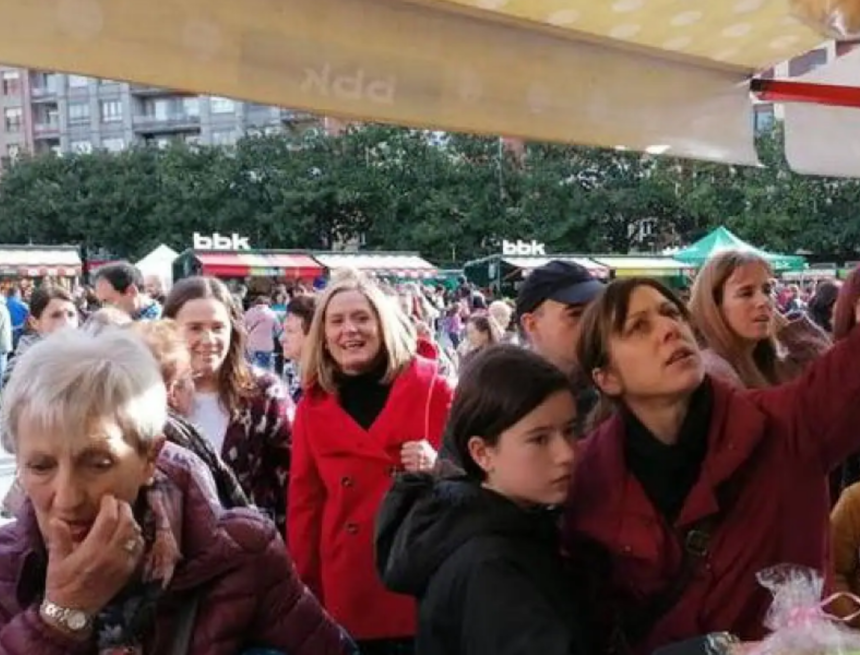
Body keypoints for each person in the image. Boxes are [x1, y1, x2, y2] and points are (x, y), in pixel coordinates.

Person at [0, 327, 355, 654]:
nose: (67, 499)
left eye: (98, 463)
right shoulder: (6, 568)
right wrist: (62, 614)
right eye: (41, 466)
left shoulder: (241, 555)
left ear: (149, 458)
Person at [563, 277, 860, 655]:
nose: (669, 329)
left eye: (672, 313)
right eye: (639, 327)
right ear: (606, 378)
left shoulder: (786, 427)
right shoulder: (585, 479)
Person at [376, 345, 589, 655]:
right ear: (482, 453)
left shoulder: (504, 526)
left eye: (570, 431)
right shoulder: (491, 568)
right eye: (539, 439)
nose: (567, 454)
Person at [288, 269, 453, 655]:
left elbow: (482, 474)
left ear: (384, 324)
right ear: (324, 336)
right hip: (348, 584)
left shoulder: (436, 391)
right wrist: (305, 591)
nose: (350, 330)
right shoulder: (312, 408)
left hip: (422, 579)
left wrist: (439, 465)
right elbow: (304, 505)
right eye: (337, 321)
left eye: (362, 318)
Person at [164, 277, 292, 532]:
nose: (209, 339)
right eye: (195, 328)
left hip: (249, 552)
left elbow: (292, 483)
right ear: (169, 330)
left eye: (218, 327)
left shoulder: (264, 394)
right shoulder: (149, 397)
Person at [688, 251, 829, 389]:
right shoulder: (713, 372)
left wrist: (786, 327)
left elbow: (828, 376)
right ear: (714, 304)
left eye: (767, 290)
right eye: (746, 293)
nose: (764, 301)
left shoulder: (766, 363)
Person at [516, 261, 604, 430]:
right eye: (576, 314)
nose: (593, 323)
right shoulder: (499, 403)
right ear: (531, 324)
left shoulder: (619, 396)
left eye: (597, 312)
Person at [3, 285, 78, 387]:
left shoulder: (87, 357)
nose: (66, 322)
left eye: (71, 315)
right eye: (56, 315)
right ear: (34, 322)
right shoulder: (22, 367)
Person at [93, 261, 162, 321]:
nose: (105, 309)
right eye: (102, 303)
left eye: (108, 301)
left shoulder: (157, 327)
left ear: (131, 291)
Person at [281, 295, 317, 403]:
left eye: (290, 331)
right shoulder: (291, 371)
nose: (282, 338)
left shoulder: (322, 387)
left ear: (312, 335)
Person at [245, 296, 280, 371]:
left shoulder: (249, 311)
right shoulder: (272, 313)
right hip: (266, 346)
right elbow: (278, 329)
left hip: (251, 344)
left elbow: (243, 326)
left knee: (250, 368)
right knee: (263, 370)